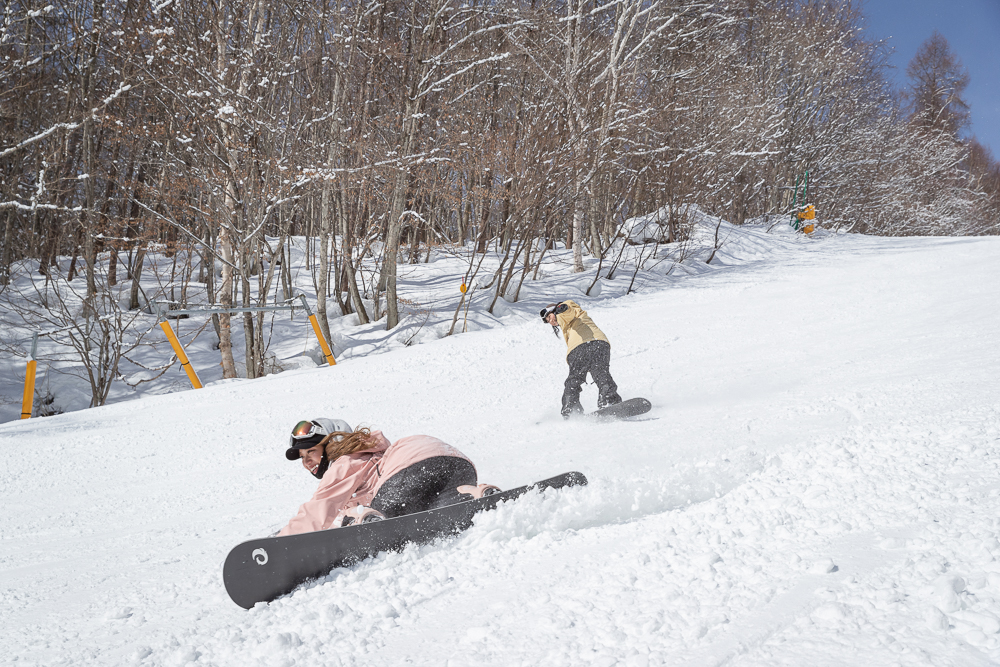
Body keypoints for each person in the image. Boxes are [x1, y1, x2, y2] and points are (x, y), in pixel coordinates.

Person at [278, 418, 497, 536]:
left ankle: (362, 520)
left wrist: (281, 544)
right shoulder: (373, 454)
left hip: (408, 471)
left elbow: (320, 507)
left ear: (332, 444)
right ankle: (474, 495)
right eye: (302, 457)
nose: (307, 462)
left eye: (312, 452)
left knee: (362, 518)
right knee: (441, 510)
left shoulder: (346, 461)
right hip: (453, 462)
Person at [541, 300, 622, 418]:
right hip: (599, 344)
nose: (551, 321)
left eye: (549, 316)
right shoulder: (566, 325)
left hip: (580, 348)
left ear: (554, 311)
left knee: (574, 378)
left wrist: (562, 309)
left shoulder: (565, 312)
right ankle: (608, 398)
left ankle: (571, 408)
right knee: (600, 373)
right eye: (548, 321)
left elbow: (569, 311)